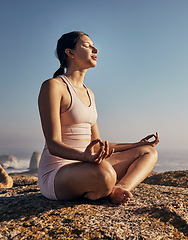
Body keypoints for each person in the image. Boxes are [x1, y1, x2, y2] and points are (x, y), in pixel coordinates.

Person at [38, 31, 159, 204]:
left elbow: (98, 144)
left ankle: (120, 189)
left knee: (149, 152)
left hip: (88, 164)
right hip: (58, 171)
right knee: (105, 173)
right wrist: (84, 157)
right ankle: (104, 186)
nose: (95, 49)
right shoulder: (53, 86)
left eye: (94, 45)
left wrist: (137, 144)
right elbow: (53, 145)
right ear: (70, 52)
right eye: (87, 45)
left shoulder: (90, 94)